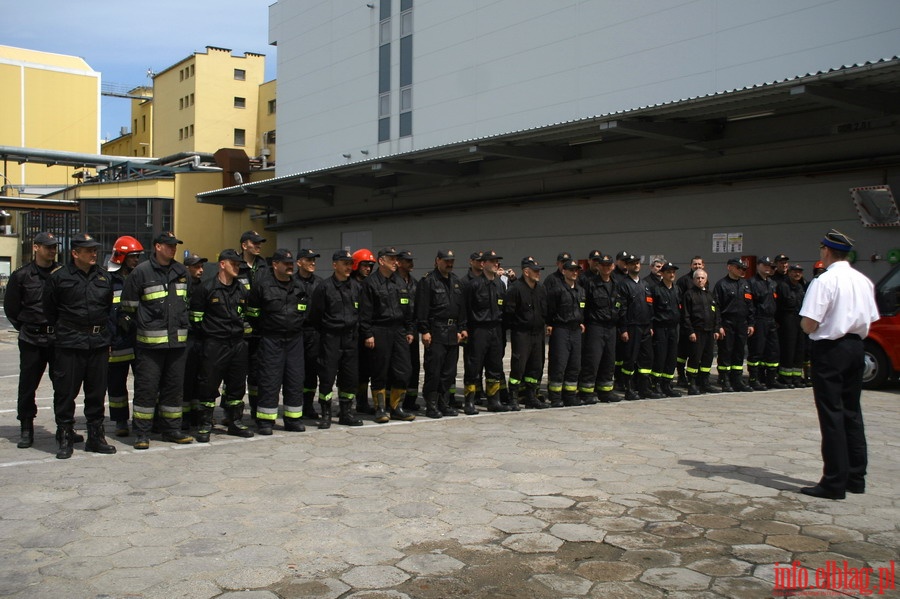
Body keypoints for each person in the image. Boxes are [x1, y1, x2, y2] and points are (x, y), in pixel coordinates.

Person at [798, 229, 879, 500]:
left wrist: (806, 328)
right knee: (851, 413)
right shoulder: (863, 280)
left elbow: (810, 322)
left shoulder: (825, 281)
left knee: (831, 415)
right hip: (856, 347)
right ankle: (856, 477)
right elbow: (871, 318)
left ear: (826, 251)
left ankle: (833, 481)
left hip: (831, 349)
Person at [3, 232, 84, 449]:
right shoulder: (22, 275)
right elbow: (11, 309)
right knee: (28, 385)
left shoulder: (63, 273)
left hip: (58, 338)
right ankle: (26, 428)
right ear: (36, 247)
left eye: (54, 246)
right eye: (47, 246)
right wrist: (26, 327)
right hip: (31, 338)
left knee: (64, 386)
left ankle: (63, 429)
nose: (52, 250)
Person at [42, 233, 116, 459]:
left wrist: (108, 338)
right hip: (70, 343)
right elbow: (49, 310)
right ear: (75, 253)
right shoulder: (59, 278)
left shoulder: (104, 278)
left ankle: (95, 437)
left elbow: (108, 310)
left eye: (95, 249)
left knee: (96, 392)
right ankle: (65, 436)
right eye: (88, 250)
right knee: (65, 392)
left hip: (98, 344)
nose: (94, 253)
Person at [120, 231, 195, 449]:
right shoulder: (141, 272)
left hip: (177, 344)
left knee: (174, 389)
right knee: (147, 389)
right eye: (169, 245)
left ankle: (172, 430)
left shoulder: (181, 271)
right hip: (150, 347)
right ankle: (142, 433)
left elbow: (186, 302)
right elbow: (128, 308)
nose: (173, 249)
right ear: (157, 247)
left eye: (175, 245)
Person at [191, 249, 255, 441]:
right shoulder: (207, 288)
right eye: (233, 263)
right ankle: (204, 424)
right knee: (208, 384)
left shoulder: (241, 289)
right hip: (214, 344)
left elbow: (248, 315)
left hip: (237, 344)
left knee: (236, 385)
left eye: (238, 264)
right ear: (222, 264)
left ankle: (234, 421)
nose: (237, 267)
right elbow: (196, 319)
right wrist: (211, 336)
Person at [248, 249, 308, 434]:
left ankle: (293, 419)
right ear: (275, 264)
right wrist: (268, 328)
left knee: (295, 379)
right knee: (269, 379)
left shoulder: (299, 286)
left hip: (294, 339)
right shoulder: (262, 286)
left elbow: (305, 311)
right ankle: (266, 421)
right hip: (271, 339)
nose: (290, 266)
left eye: (291, 263)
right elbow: (253, 313)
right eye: (286, 263)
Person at [307, 250, 365, 428]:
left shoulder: (356, 287)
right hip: (330, 338)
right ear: (335, 265)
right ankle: (325, 414)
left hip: (350, 338)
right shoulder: (324, 287)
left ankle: (346, 413)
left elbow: (361, 312)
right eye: (345, 263)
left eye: (350, 264)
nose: (349, 267)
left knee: (350, 377)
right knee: (327, 377)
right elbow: (315, 316)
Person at [359, 247, 415, 423]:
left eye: (396, 259)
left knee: (403, 370)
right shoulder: (370, 283)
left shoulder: (399, 282)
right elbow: (365, 312)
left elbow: (408, 309)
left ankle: (397, 407)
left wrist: (410, 329)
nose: (395, 262)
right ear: (381, 261)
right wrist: (368, 333)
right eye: (391, 259)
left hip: (398, 330)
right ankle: (380, 409)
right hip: (379, 329)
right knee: (379, 371)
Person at [416, 249, 467, 418]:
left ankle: (443, 403)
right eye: (446, 261)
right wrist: (424, 331)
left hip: (452, 333)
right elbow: (422, 308)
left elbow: (461, 309)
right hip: (436, 331)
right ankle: (431, 405)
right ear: (437, 261)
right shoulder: (428, 281)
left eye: (451, 261)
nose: (449, 263)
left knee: (449, 372)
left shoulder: (456, 282)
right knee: (434, 371)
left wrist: (462, 329)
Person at [106, 236, 144, 437]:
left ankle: (142, 420)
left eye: (138, 256)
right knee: (116, 384)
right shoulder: (109, 281)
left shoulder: (140, 278)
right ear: (121, 257)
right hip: (117, 340)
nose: (136, 260)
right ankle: (120, 421)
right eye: (133, 256)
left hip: (138, 340)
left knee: (144, 383)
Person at [463, 249, 509, 414]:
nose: (496, 264)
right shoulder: (473, 284)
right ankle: (469, 401)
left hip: (496, 328)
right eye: (493, 261)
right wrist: (464, 329)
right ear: (483, 264)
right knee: (473, 366)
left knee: (495, 365)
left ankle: (494, 400)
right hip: (478, 329)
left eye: (497, 261)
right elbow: (465, 309)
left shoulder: (500, 284)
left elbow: (503, 308)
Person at [504, 257, 549, 410]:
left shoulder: (540, 289)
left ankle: (531, 397)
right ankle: (513, 397)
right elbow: (509, 313)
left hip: (538, 333)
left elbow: (544, 310)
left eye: (539, 271)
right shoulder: (515, 289)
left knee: (535, 366)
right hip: (522, 334)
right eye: (535, 271)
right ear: (526, 272)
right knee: (518, 365)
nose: (538, 274)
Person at [577, 252, 621, 404]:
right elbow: (583, 305)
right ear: (598, 266)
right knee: (592, 360)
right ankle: (587, 392)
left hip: (611, 327)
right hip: (595, 326)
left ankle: (605, 391)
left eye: (609, 265)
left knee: (609, 360)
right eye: (603, 265)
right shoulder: (591, 283)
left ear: (613, 267)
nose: (606, 268)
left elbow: (620, 305)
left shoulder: (616, 284)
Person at [617, 254, 662, 400]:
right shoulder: (623, 284)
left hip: (645, 328)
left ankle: (644, 388)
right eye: (632, 263)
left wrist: (650, 325)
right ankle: (628, 388)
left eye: (637, 263)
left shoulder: (645, 285)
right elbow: (622, 308)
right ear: (627, 266)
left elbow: (650, 307)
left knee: (646, 358)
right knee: (630, 358)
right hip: (631, 328)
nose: (636, 265)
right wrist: (623, 329)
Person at [545, 259, 585, 407]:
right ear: (564, 271)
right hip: (561, 329)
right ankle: (555, 397)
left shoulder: (580, 290)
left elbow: (581, 309)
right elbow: (550, 309)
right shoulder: (557, 289)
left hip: (575, 330)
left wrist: (581, 321)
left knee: (574, 364)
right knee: (559, 364)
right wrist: (550, 324)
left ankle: (570, 396)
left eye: (576, 270)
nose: (574, 273)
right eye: (571, 270)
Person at [713, 258, 756, 392]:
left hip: (741, 323)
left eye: (743, 269)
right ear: (730, 267)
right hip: (727, 323)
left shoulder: (745, 285)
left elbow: (750, 306)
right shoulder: (722, 285)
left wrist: (751, 323)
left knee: (739, 352)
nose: (742, 271)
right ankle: (725, 379)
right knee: (726, 351)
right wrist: (718, 325)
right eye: (739, 268)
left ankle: (737, 380)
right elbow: (716, 307)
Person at [238, 230, 267, 421]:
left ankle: (256, 410)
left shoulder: (264, 266)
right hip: (239, 331)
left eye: (259, 243)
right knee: (236, 375)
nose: (258, 246)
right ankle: (232, 413)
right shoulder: (235, 265)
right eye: (254, 243)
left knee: (257, 374)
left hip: (259, 330)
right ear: (244, 245)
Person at [680, 269, 723, 395]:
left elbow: (716, 314)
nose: (700, 280)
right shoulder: (689, 295)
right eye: (697, 278)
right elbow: (685, 315)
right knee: (695, 358)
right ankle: (692, 383)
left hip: (710, 332)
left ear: (706, 279)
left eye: (702, 278)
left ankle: (704, 382)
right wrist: (690, 331)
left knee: (707, 358)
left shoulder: (710, 295)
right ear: (693, 280)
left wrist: (716, 329)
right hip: (696, 332)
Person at [747, 256, 784, 391]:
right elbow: (750, 305)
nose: (768, 268)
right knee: (757, 350)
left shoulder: (772, 283)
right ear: (758, 266)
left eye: (770, 266)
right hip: (759, 320)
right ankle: (754, 379)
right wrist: (751, 322)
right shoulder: (751, 282)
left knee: (773, 350)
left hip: (771, 320)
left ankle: (771, 379)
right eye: (765, 265)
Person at [295, 249, 323, 420]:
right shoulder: (291, 282)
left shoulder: (320, 283)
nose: (313, 263)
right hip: (296, 331)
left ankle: (308, 405)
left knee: (312, 370)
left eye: (314, 260)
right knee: (295, 371)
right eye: (308, 260)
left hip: (314, 332)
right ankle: (295, 403)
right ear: (299, 262)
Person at [182, 253, 208, 432]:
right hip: (187, 338)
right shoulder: (182, 286)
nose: (200, 270)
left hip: (202, 337)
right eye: (196, 267)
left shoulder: (205, 288)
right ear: (187, 268)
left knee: (200, 378)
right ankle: (184, 417)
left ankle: (197, 416)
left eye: (201, 267)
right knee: (186, 379)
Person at [351, 248, 377, 414]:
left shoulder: (370, 285)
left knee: (365, 370)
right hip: (351, 335)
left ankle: (362, 402)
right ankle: (347, 404)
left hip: (366, 333)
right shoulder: (349, 284)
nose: (368, 269)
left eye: (370, 266)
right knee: (349, 371)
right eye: (364, 265)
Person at [650, 262, 682, 397]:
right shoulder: (656, 289)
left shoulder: (677, 289)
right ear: (662, 274)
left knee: (671, 357)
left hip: (673, 328)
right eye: (669, 272)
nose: (672, 274)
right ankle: (655, 384)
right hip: (660, 328)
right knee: (660, 356)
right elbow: (651, 310)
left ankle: (667, 384)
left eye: (673, 272)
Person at [396, 250, 421, 412]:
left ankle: (410, 401)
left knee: (414, 366)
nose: (411, 264)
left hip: (413, 329)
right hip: (398, 330)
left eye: (411, 261)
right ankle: (397, 401)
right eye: (407, 261)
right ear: (398, 262)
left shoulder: (415, 283)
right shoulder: (393, 282)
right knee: (399, 368)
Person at [775, 263, 807, 388]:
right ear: (789, 273)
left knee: (799, 349)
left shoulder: (800, 287)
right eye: (794, 271)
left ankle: (796, 377)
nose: (797, 274)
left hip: (799, 319)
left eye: (799, 272)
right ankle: (785, 378)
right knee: (788, 349)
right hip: (787, 320)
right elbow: (778, 305)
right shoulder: (783, 286)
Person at [675, 255, 705, 387]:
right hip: (686, 323)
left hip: (699, 324)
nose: (697, 266)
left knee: (696, 352)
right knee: (682, 352)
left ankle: (696, 377)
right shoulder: (683, 281)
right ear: (690, 266)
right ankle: (681, 375)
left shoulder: (704, 280)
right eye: (695, 264)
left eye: (699, 264)